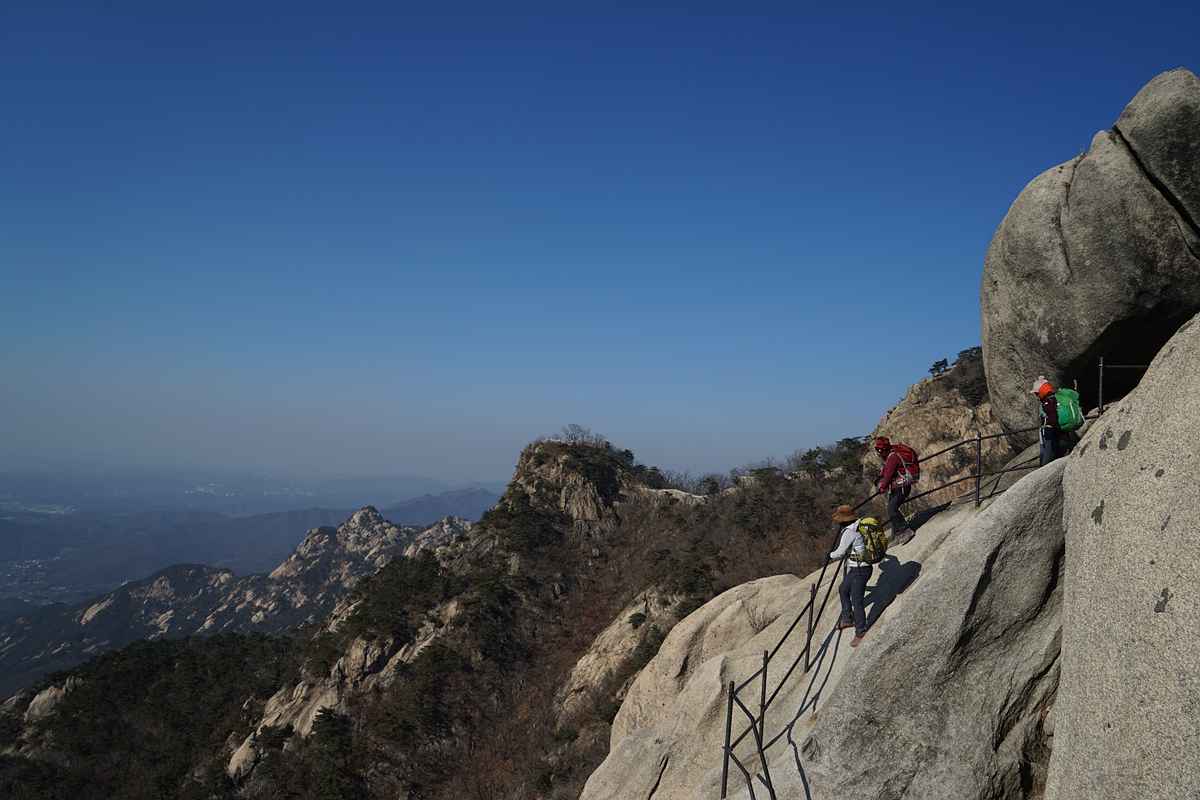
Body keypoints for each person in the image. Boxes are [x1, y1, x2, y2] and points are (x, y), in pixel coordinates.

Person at [830, 504, 871, 647]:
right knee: (843, 590)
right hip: (858, 568)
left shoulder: (849, 532)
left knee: (857, 603)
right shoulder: (859, 523)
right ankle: (847, 619)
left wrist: (829, 555)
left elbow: (840, 552)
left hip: (860, 569)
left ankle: (860, 632)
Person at [873, 437, 914, 546]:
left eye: (881, 449)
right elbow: (885, 469)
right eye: (878, 449)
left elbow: (889, 474)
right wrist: (878, 476)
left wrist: (883, 487)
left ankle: (905, 530)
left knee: (892, 508)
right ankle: (897, 534)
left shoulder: (893, 457)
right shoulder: (888, 457)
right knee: (890, 509)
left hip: (903, 486)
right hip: (896, 487)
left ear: (886, 447)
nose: (880, 451)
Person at [1032, 376, 1072, 466]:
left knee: (1045, 466)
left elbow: (1052, 416)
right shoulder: (1057, 398)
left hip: (1053, 439)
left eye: (1036, 393)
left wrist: (1049, 428)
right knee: (1056, 466)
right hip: (1065, 438)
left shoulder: (1047, 402)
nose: (1037, 395)